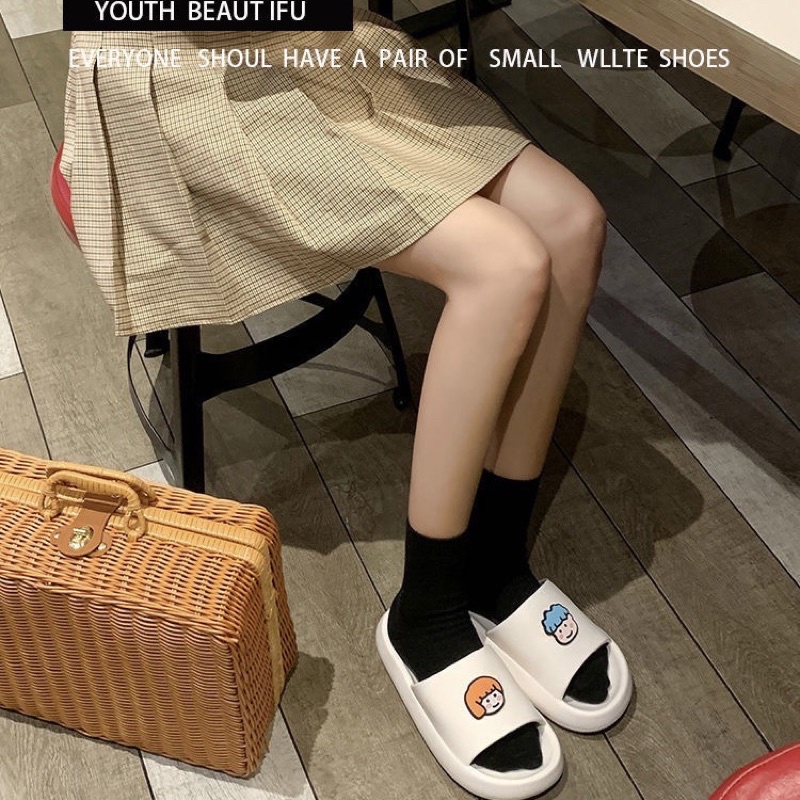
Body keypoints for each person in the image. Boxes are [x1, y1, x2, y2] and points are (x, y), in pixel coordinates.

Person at [61, 7, 631, 798]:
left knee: (572, 224)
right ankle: (427, 609)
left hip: (315, 43)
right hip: (182, 67)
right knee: (504, 267)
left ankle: (496, 563)